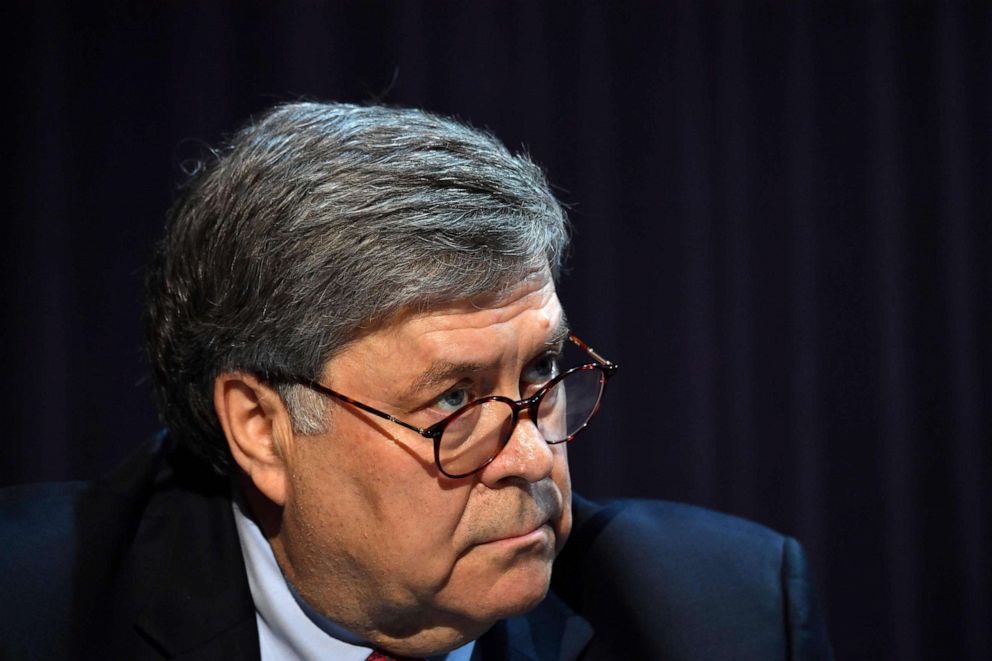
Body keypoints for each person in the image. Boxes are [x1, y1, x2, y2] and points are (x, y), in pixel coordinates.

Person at [0, 102, 831, 660]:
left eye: (542, 371)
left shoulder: (724, 618)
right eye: (453, 400)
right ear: (260, 427)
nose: (535, 461)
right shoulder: (35, 605)